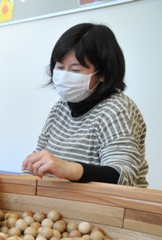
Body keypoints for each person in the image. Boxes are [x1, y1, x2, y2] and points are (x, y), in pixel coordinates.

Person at [22, 23, 148, 187]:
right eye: (60, 67)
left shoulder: (117, 109)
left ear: (102, 73)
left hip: (110, 207)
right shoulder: (60, 108)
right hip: (61, 203)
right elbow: (38, 160)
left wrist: (68, 168)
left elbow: (123, 175)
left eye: (75, 70)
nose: (64, 76)